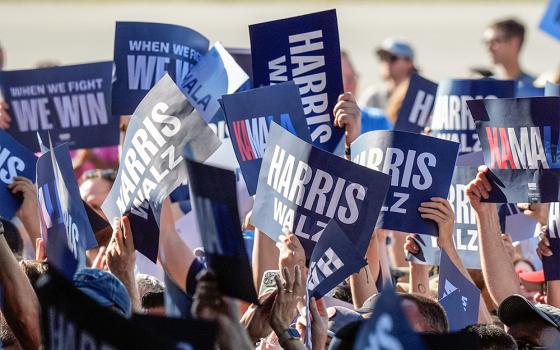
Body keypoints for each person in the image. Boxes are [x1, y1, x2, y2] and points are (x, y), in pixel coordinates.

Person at [482, 18, 537, 97]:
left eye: (495, 41)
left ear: (514, 42)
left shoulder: (534, 87)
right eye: (486, 42)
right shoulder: (483, 87)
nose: (489, 48)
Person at [341, 51, 392, 132]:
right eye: (343, 77)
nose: (351, 83)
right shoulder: (316, 127)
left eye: (353, 76)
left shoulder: (378, 121)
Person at [359, 38, 416, 110]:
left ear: (409, 63)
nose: (386, 62)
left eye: (392, 58)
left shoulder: (420, 98)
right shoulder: (373, 96)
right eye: (383, 57)